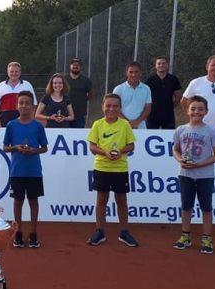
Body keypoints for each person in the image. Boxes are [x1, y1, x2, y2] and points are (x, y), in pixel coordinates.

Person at [172, 95, 215, 254]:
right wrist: (180, 160)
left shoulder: (211, 131)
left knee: (206, 207)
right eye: (193, 108)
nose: (196, 111)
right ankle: (185, 236)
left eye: (200, 109)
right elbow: (175, 149)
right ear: (187, 110)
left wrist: (199, 164)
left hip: (205, 176)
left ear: (206, 111)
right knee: (186, 206)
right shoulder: (180, 129)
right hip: (185, 174)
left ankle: (206, 238)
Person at [86, 93, 139, 247]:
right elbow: (92, 146)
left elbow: (131, 145)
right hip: (101, 168)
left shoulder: (125, 125)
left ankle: (124, 232)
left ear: (120, 108)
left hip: (120, 169)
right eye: (108, 105)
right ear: (103, 107)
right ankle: (99, 232)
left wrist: (120, 152)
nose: (111, 109)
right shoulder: (97, 124)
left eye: (115, 106)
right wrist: (105, 152)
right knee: (101, 200)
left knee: (121, 201)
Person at [3, 91, 48, 248]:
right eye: (21, 103)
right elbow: (5, 148)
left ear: (32, 106)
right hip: (17, 171)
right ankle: (18, 233)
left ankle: (34, 233)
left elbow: (44, 148)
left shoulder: (37, 126)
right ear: (17, 105)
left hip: (34, 171)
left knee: (33, 201)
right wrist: (16, 147)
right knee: (18, 202)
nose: (24, 106)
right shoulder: (11, 125)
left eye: (27, 103)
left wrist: (33, 150)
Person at [0, 61, 37, 127]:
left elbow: (34, 105)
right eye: (11, 71)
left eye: (16, 71)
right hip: (4, 122)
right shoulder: (0, 86)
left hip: (23, 120)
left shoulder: (27, 85)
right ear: (8, 72)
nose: (14, 73)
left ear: (20, 72)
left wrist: (31, 120)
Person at [145, 56, 182, 129]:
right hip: (152, 114)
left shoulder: (173, 79)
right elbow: (145, 96)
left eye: (163, 63)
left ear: (167, 65)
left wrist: (172, 105)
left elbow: (178, 94)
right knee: (151, 134)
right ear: (156, 66)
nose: (161, 65)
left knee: (169, 135)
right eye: (159, 63)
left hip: (168, 114)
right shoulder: (150, 80)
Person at [113, 61, 152, 129]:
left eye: (136, 72)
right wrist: (127, 123)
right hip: (121, 126)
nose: (134, 74)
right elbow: (114, 108)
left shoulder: (146, 88)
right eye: (131, 72)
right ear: (126, 73)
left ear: (140, 73)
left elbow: (148, 108)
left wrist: (137, 122)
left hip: (140, 126)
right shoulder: (118, 89)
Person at [64, 58, 93, 128]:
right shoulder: (64, 79)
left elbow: (91, 93)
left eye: (78, 65)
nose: (75, 66)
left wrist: (83, 99)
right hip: (65, 113)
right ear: (70, 66)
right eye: (73, 65)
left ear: (80, 67)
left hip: (79, 114)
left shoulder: (86, 80)